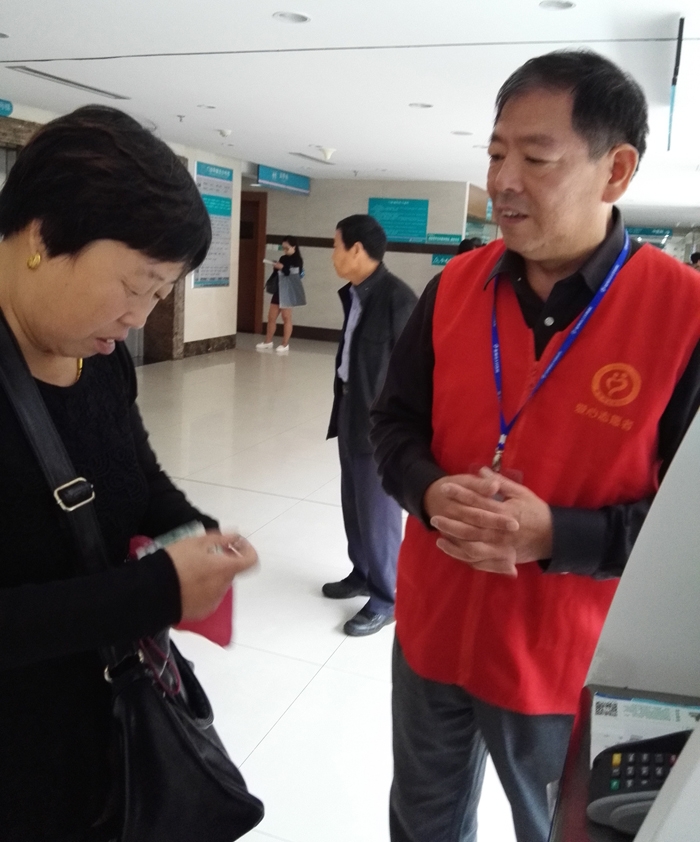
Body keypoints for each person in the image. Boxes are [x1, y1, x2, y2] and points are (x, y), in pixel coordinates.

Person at [370, 50, 700, 842]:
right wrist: (427, 490)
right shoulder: (454, 287)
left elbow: (688, 533)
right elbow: (392, 426)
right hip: (434, 630)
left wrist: (559, 535)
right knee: (421, 822)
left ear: (615, 170)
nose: (503, 181)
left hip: (564, 660)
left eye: (535, 158)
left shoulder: (683, 316)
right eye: (495, 154)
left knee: (557, 830)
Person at [0, 105, 258, 841]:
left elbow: (132, 475)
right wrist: (155, 591)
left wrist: (190, 532)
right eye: (136, 285)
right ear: (44, 235)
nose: (140, 318)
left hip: (105, 745)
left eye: (161, 294)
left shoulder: (97, 360)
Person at [324, 214, 417, 636]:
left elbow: (415, 371)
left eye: (336, 246)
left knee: (378, 510)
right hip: (350, 406)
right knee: (354, 499)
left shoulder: (397, 299)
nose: (333, 255)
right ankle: (361, 572)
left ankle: (386, 597)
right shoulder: (357, 295)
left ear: (357, 250)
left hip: (380, 422)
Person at [256, 236, 306, 354]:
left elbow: (292, 274)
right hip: (279, 289)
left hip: (288, 291)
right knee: (271, 317)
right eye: (283, 248)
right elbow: (279, 272)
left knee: (286, 317)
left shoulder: (298, 260)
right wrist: (276, 267)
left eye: (287, 248)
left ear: (294, 247)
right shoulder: (283, 258)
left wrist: (282, 267)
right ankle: (268, 341)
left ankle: (285, 343)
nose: (285, 250)